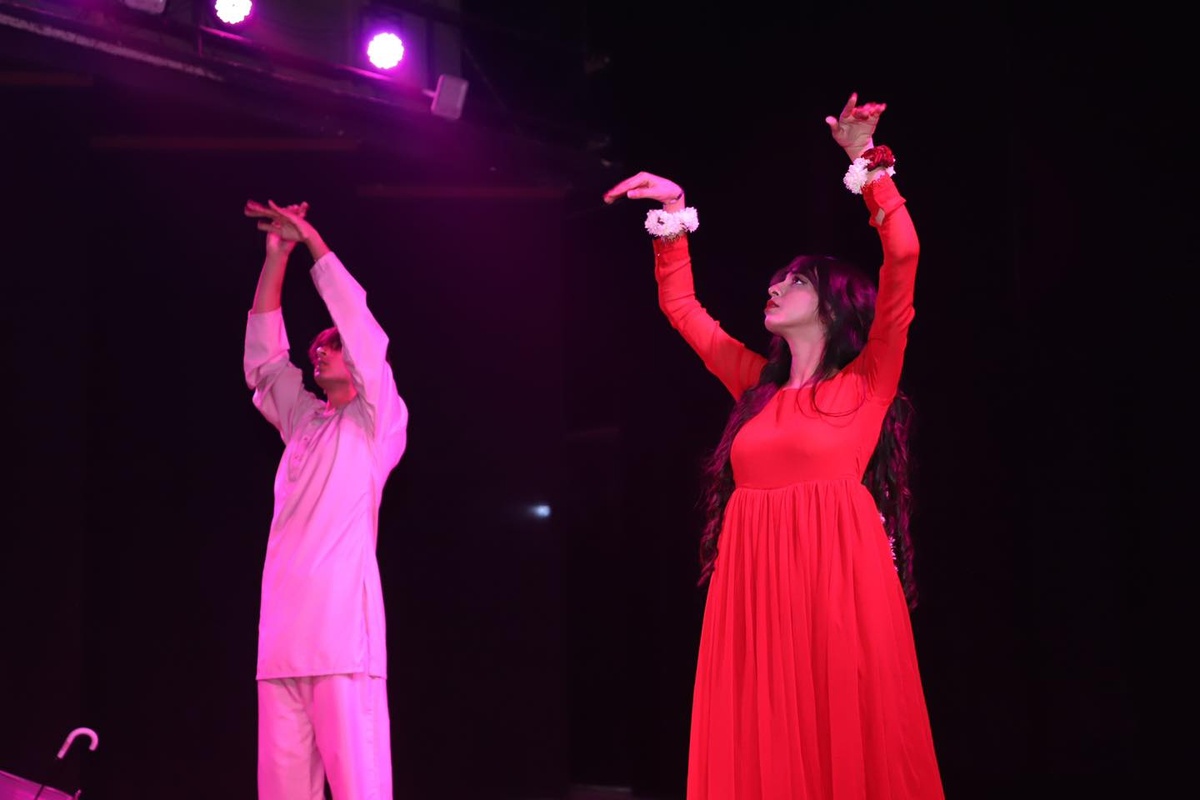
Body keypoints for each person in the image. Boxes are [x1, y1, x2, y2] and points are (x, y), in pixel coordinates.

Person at [602, 92, 944, 798]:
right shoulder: (754, 386)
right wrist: (673, 213)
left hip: (839, 585)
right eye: (778, 278)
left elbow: (904, 253)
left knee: (842, 736)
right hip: (755, 587)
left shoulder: (869, 379)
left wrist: (865, 159)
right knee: (765, 741)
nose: (775, 286)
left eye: (795, 281)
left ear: (834, 305)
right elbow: (681, 308)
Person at [242, 198, 409, 800]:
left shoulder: (376, 422)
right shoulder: (305, 422)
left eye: (332, 344)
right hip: (282, 643)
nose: (321, 348)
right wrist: (277, 257)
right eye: (317, 345)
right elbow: (265, 365)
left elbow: (363, 331)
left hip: (342, 642)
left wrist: (312, 241)